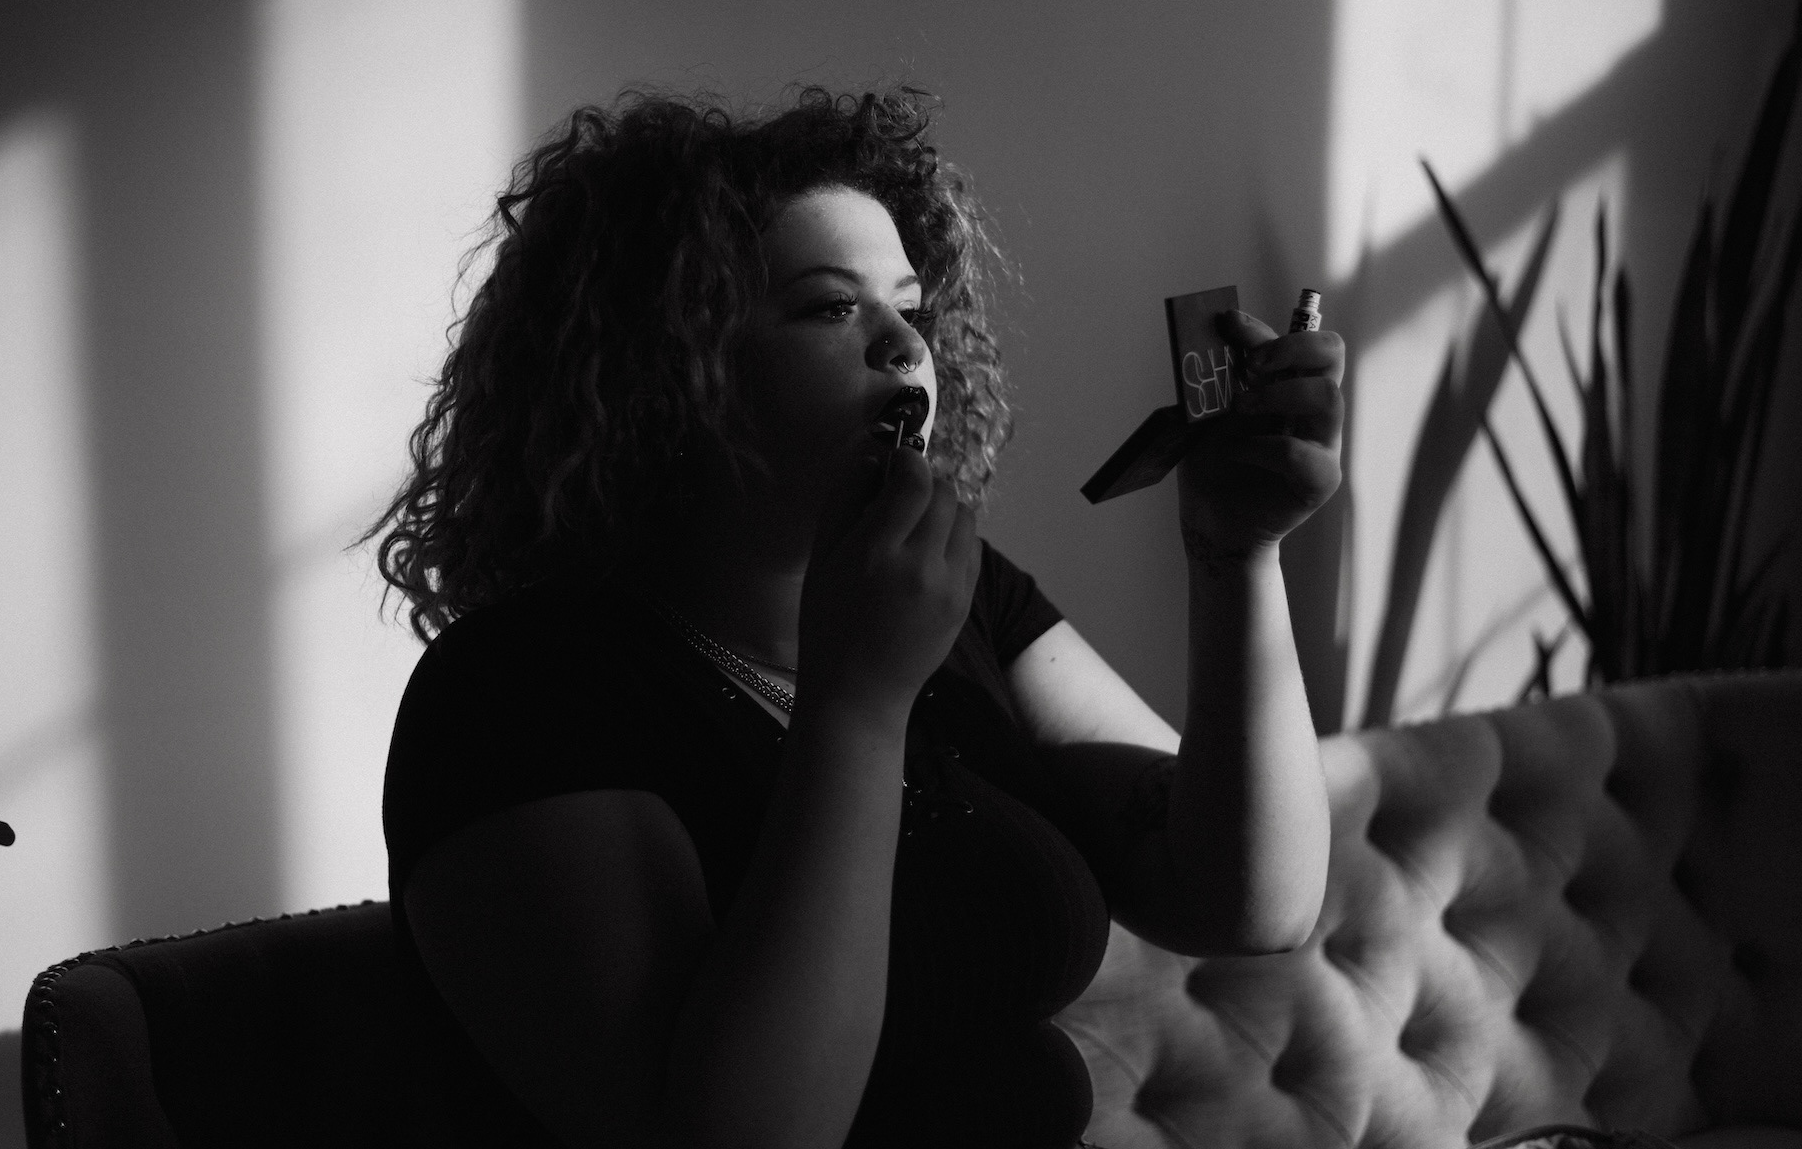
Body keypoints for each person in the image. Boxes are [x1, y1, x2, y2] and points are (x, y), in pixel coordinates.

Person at [370, 88, 1341, 1149]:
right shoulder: (518, 693)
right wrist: (861, 705)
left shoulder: (959, 594)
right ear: (664, 370)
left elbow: (1248, 904)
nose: (904, 345)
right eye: (830, 308)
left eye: (911, 308)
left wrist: (1236, 550)